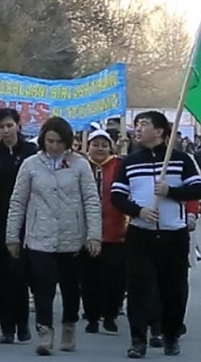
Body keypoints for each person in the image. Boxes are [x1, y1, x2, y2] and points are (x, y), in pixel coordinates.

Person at [111, 111, 201, 359]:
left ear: (161, 131)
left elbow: (198, 188)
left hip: (174, 234)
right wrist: (138, 211)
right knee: (139, 287)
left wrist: (171, 190)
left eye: (144, 125)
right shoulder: (129, 162)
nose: (138, 129)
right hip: (140, 234)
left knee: (174, 288)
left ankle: (171, 334)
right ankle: (138, 339)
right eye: (137, 125)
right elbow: (117, 196)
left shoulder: (181, 160)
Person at [6, 116, 102, 356]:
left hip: (72, 236)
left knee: (71, 287)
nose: (54, 146)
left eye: (59, 141)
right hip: (40, 235)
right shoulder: (30, 165)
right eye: (50, 141)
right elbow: (18, 201)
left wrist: (94, 235)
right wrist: (12, 236)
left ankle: (69, 325)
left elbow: (91, 200)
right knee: (42, 287)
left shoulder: (80, 165)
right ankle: (45, 331)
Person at [0, 108, 37, 342]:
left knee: (19, 276)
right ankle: (6, 327)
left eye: (9, 125)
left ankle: (22, 324)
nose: (5, 130)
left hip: (24, 221)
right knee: (0, 276)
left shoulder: (31, 152)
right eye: (1, 127)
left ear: (18, 126)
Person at [80, 130, 126, 335]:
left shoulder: (119, 166)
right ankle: (91, 316)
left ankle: (110, 314)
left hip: (115, 230)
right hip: (87, 231)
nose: (99, 149)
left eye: (104, 145)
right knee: (89, 277)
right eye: (95, 144)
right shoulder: (80, 166)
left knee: (115, 277)